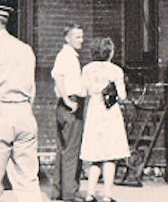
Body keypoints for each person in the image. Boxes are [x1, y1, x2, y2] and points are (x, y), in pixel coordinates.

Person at [0, 3, 42, 202]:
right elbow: (32, 86)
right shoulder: (25, 48)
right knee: (27, 180)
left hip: (1, 113)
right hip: (25, 113)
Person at [79, 37, 129, 202]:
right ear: (110, 52)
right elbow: (122, 95)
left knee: (95, 156)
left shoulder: (87, 69)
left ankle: (90, 193)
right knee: (110, 155)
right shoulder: (115, 70)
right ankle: (107, 194)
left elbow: (84, 91)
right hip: (110, 113)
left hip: (94, 112)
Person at [50, 24, 85, 201]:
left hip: (66, 105)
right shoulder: (66, 56)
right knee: (72, 150)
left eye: (81, 37)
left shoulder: (68, 56)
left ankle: (58, 191)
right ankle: (70, 193)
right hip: (71, 104)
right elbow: (58, 77)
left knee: (63, 149)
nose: (81, 40)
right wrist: (68, 101)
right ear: (68, 38)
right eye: (77, 37)